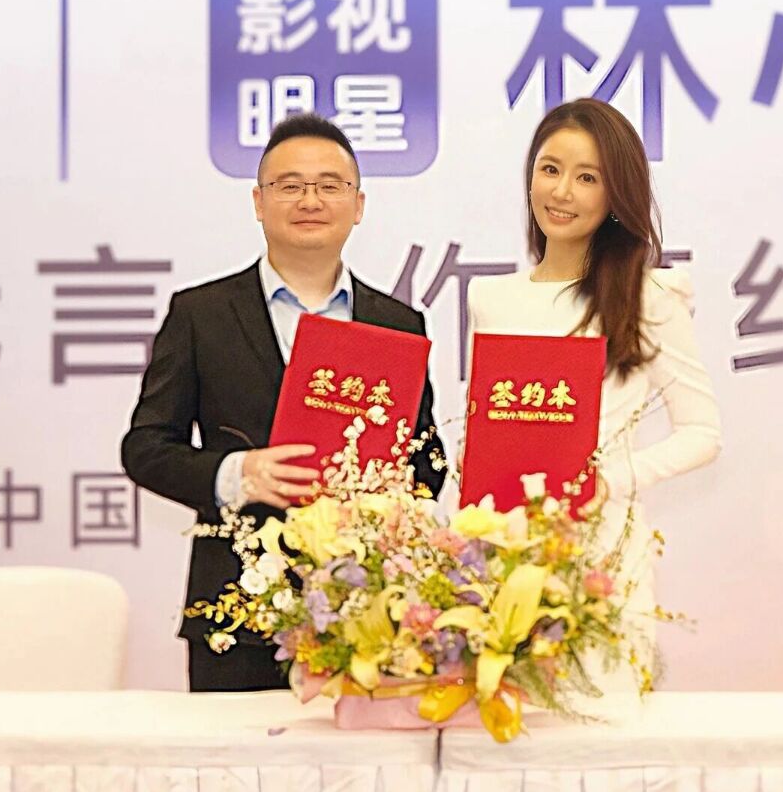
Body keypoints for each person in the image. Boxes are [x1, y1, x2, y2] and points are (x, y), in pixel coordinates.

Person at [122, 115, 447, 690]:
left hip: (368, 615)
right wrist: (237, 474)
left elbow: (427, 460)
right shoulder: (201, 314)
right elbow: (145, 447)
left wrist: (384, 497)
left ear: (358, 204)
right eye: (290, 185)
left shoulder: (397, 323)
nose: (310, 200)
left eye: (329, 185)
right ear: (259, 201)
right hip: (237, 612)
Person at [466, 97, 721, 720]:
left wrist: (606, 481)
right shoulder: (491, 298)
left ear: (615, 196)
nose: (562, 192)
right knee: (506, 737)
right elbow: (490, 432)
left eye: (587, 177)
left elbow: (702, 432)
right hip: (501, 557)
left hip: (603, 560)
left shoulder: (646, 295)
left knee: (603, 737)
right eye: (550, 169)